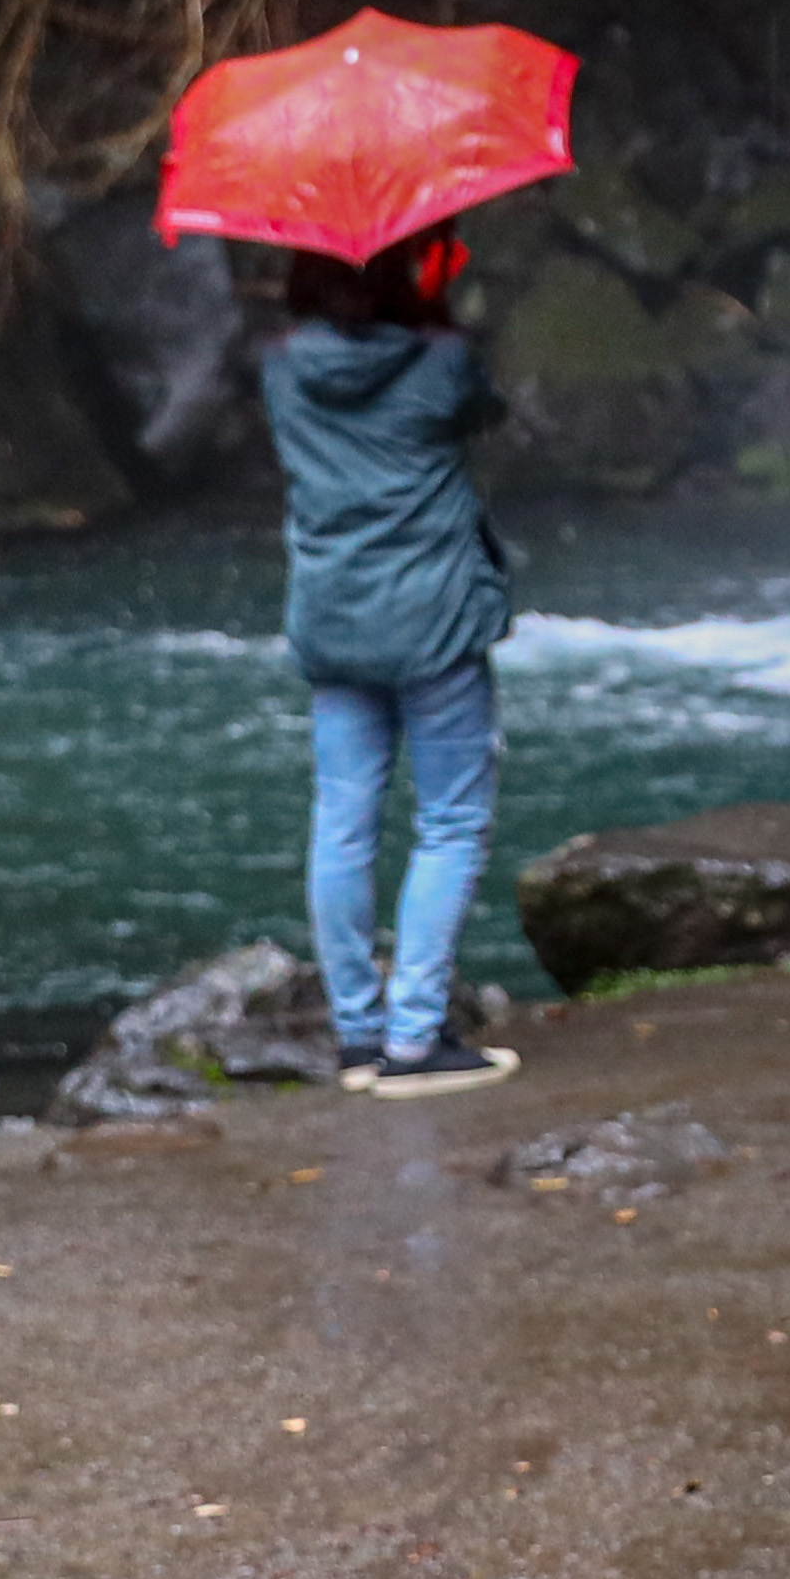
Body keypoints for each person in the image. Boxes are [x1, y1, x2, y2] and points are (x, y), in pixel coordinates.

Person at [265, 224, 522, 1093]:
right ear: (400, 276)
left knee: (342, 818)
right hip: (435, 619)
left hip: (334, 619)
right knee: (448, 820)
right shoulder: (440, 360)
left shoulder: (282, 365)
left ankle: (357, 1038)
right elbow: (483, 411)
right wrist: (437, 308)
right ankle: (415, 1038)